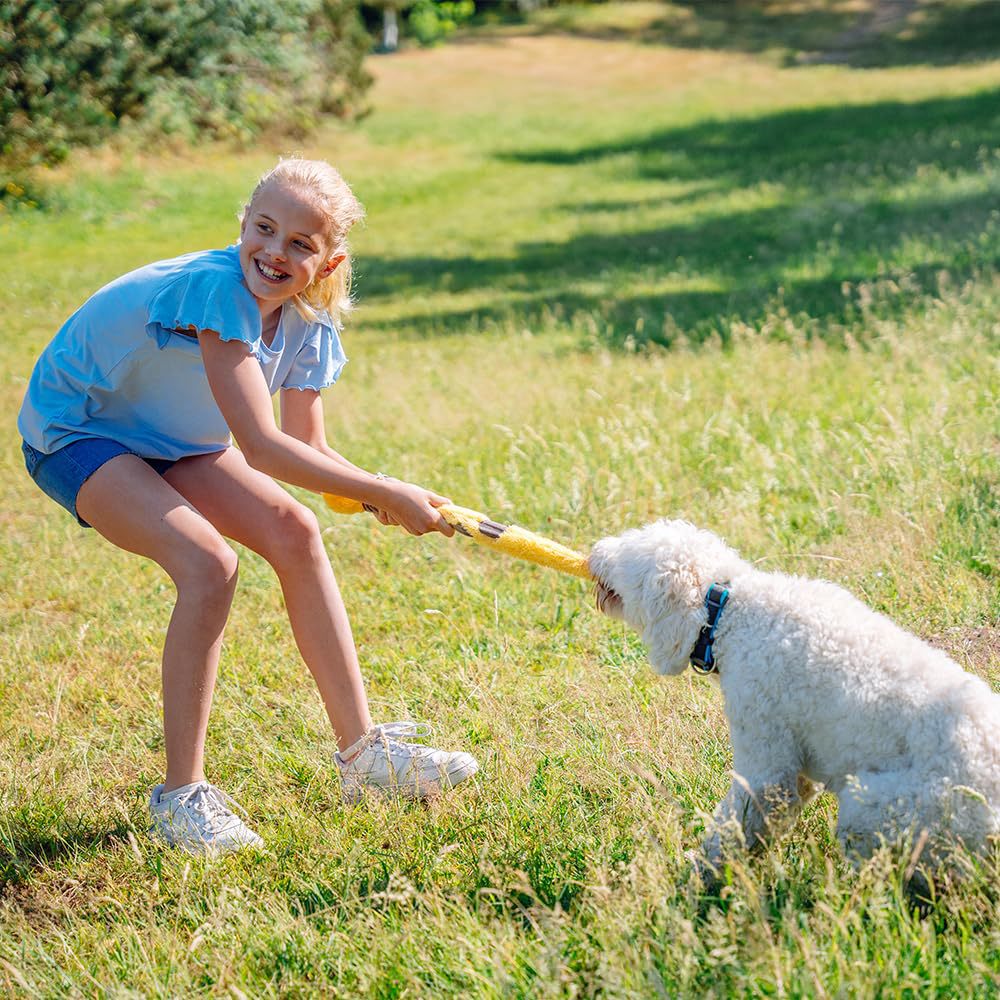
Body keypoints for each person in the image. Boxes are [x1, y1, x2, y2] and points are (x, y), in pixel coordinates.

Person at [17, 157, 478, 856]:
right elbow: (261, 447)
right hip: (77, 432)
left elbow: (308, 448)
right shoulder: (218, 291)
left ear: (328, 262)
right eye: (264, 228)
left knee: (296, 530)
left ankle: (365, 757)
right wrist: (386, 493)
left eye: (300, 243)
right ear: (242, 224)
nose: (274, 251)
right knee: (208, 565)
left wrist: (377, 490)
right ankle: (181, 799)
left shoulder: (307, 322)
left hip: (175, 440)